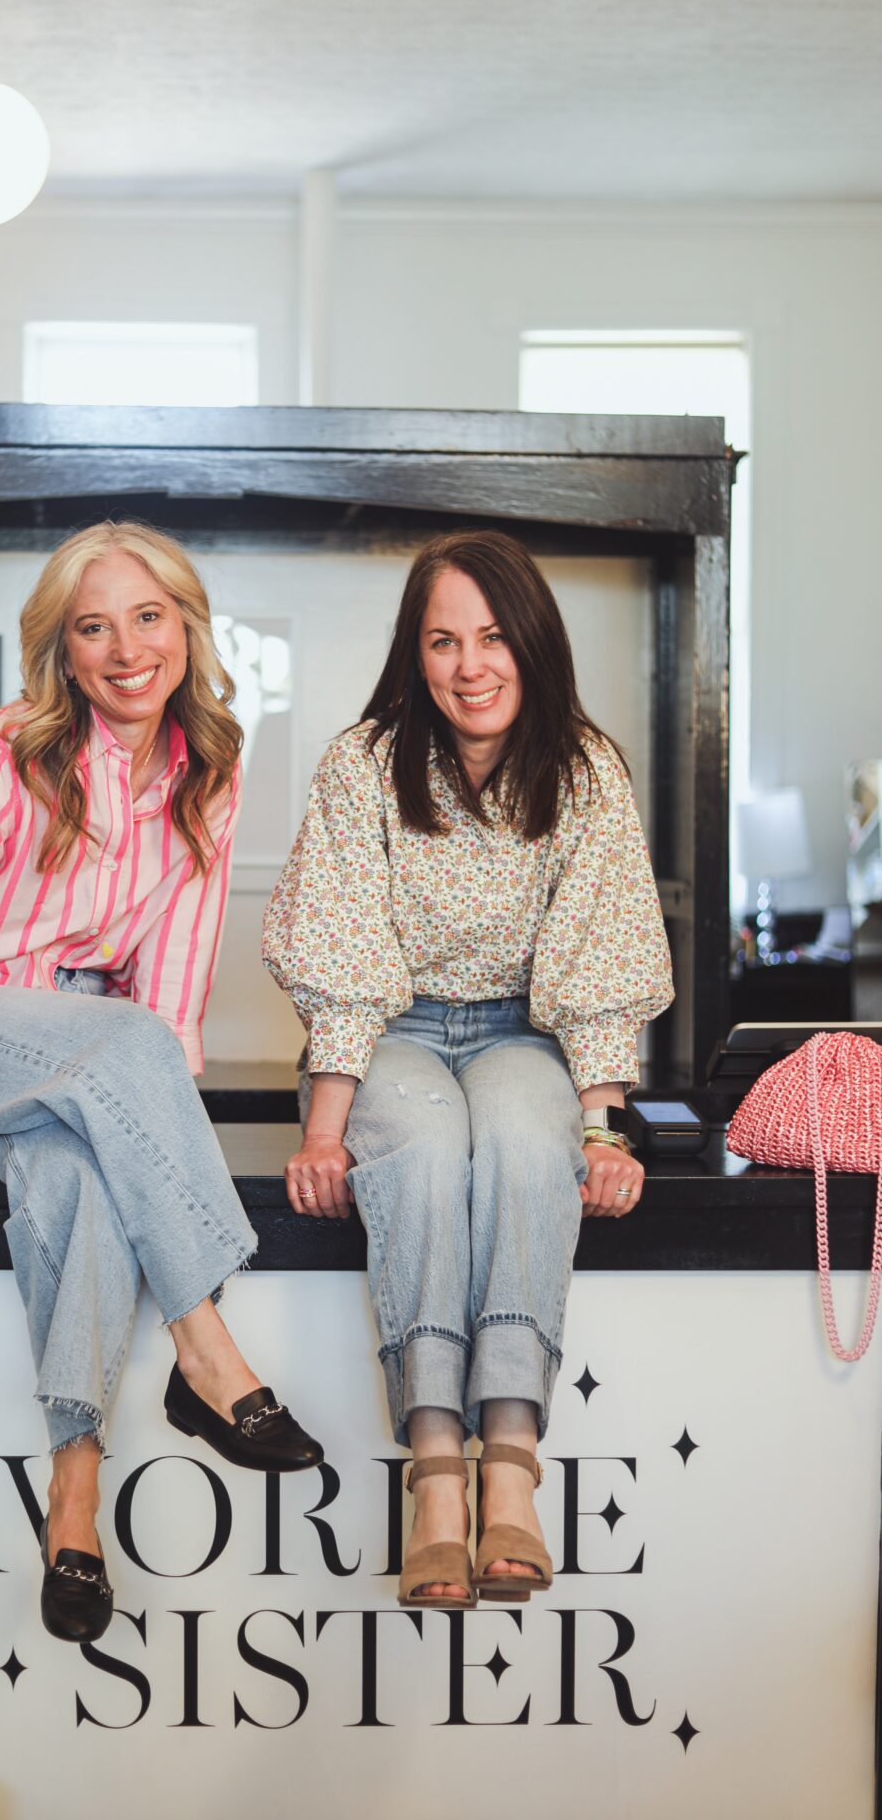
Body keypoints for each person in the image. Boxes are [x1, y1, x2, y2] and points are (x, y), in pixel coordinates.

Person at [0, 520, 323, 1643]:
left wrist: (142, 1131)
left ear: (187, 627)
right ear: (61, 648)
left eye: (148, 618)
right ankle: (205, 1346)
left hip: (81, 1059)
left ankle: (74, 1500)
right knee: (124, 1041)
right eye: (93, 627)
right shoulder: (2, 752)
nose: (126, 649)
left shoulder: (208, 767)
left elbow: (177, 975)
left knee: (82, 1185)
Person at [263, 530, 672, 1610]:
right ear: (415, 652)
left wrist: (600, 1131)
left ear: (532, 644)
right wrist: (324, 1132)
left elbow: (598, 959)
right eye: (442, 641)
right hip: (387, 1034)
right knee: (428, 1149)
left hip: (520, 1034)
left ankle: (511, 1465)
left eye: (492, 637)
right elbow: (344, 958)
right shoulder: (361, 764)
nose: (469, 665)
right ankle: (437, 1474)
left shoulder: (584, 771)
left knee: (527, 1147)